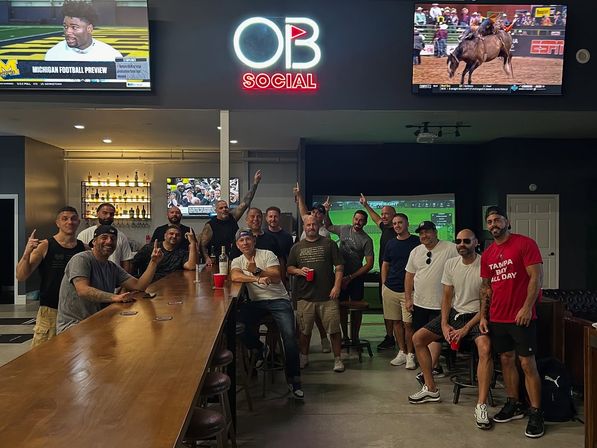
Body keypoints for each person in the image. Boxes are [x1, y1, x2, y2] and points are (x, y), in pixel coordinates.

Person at [408, 230, 494, 430]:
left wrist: (465, 328)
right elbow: (447, 297)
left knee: (485, 348)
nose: (462, 244)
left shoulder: (484, 264)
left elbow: (486, 302)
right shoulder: (451, 264)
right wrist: (445, 323)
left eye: (466, 241)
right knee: (418, 338)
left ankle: (481, 405)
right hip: (454, 314)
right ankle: (430, 388)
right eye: (458, 241)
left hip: (475, 317)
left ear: (476, 243)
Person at [480, 206, 544, 438]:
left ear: (507, 222)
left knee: (528, 364)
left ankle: (536, 412)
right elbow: (486, 288)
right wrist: (484, 316)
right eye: (489, 221)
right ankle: (514, 403)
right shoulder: (487, 254)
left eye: (497, 220)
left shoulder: (525, 243)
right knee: (506, 361)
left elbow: (536, 277)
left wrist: (527, 307)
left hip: (521, 317)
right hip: (497, 317)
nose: (493, 224)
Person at [230, 229, 303, 399]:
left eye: (248, 239)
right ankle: (259, 348)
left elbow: (277, 276)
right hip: (257, 303)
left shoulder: (267, 254)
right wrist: (256, 279)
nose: (245, 243)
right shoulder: (237, 260)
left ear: (254, 241)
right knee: (235, 325)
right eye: (242, 241)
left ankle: (294, 381)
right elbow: (235, 276)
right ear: (237, 245)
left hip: (279, 300)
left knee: (290, 338)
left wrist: (256, 270)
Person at [57, 225, 163, 333]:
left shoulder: (111, 267)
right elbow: (83, 290)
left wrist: (154, 262)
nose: (109, 241)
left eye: (113, 239)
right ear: (94, 241)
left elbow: (139, 286)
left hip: (97, 324)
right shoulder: (81, 259)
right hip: (74, 327)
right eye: (104, 237)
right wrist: (115, 297)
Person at [16, 206, 86, 346]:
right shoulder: (45, 246)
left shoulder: (83, 248)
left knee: (73, 356)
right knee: (42, 358)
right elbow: (21, 276)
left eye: (73, 219)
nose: (69, 222)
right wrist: (26, 253)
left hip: (76, 311)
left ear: (78, 222)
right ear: (57, 223)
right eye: (64, 219)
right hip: (50, 310)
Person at [287, 215, 345, 372]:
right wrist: (299, 271)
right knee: (304, 332)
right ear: (304, 227)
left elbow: (339, 267)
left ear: (319, 225)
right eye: (308, 225)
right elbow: (289, 268)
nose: (311, 227)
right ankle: (304, 357)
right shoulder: (297, 247)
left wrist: (337, 287)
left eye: (314, 224)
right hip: (304, 297)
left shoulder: (330, 244)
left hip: (328, 296)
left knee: (334, 330)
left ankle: (338, 359)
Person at [405, 221, 458, 380]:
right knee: (420, 337)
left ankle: (428, 371)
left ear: (435, 232)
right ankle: (432, 368)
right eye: (421, 233)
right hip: (420, 303)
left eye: (427, 232)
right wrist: (409, 298)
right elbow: (409, 276)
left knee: (433, 338)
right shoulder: (416, 251)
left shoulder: (450, 248)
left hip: (441, 304)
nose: (424, 236)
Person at [324, 208, 374, 345]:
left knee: (357, 308)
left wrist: (351, 277)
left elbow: (369, 264)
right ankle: (345, 336)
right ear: (353, 219)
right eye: (356, 219)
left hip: (356, 278)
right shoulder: (344, 229)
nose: (358, 222)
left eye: (361, 220)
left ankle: (355, 337)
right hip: (340, 276)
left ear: (365, 222)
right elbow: (328, 226)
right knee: (341, 307)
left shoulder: (367, 240)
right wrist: (327, 211)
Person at [293, 183, 332, 353]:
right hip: (302, 276)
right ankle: (306, 349)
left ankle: (324, 339)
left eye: (319, 213)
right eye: (314, 212)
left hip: (319, 278)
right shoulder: (308, 222)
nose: (315, 215)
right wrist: (300, 195)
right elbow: (303, 210)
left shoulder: (324, 233)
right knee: (306, 314)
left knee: (317, 313)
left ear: (322, 217)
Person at [359, 193, 398, 351]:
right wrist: (366, 205)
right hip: (385, 277)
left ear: (395, 216)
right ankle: (390, 338)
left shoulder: (398, 231)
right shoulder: (385, 228)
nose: (383, 216)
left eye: (387, 214)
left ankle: (403, 342)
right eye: (383, 214)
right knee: (387, 310)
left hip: (399, 277)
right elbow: (376, 219)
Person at [381, 213, 420, 369]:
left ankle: (411, 354)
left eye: (400, 223)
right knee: (396, 322)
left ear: (407, 224)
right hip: (391, 288)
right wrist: (384, 283)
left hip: (409, 291)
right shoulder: (390, 243)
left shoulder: (417, 242)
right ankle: (402, 352)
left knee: (408, 324)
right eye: (395, 223)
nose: (397, 225)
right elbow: (385, 264)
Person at [200, 170, 262, 265]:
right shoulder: (210, 225)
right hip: (219, 262)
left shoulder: (232, 217)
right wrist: (206, 258)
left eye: (226, 207)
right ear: (216, 210)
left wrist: (255, 183)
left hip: (237, 258)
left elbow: (246, 202)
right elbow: (203, 244)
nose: (224, 209)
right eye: (221, 208)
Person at [45, 0, 123, 62]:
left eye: (74, 27)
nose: (68, 32)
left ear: (89, 29)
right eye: (65, 26)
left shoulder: (111, 56)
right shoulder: (53, 54)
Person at [78, 203, 134, 272]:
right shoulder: (84, 234)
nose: (108, 216)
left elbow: (126, 261)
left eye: (111, 214)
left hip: (114, 278)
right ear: (97, 214)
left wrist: (124, 280)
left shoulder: (121, 236)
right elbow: (79, 260)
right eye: (105, 213)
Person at [133, 225, 197, 281]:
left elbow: (191, 266)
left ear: (180, 238)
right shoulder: (150, 248)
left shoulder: (181, 252)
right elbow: (134, 263)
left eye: (177, 235)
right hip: (150, 284)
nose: (174, 236)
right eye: (171, 234)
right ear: (165, 236)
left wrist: (193, 242)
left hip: (171, 285)